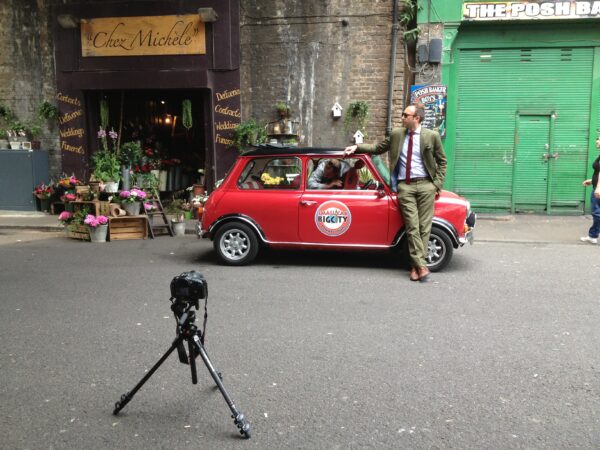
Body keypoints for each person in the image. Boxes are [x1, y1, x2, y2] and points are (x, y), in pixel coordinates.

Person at [344, 103, 447, 282]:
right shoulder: (397, 134)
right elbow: (377, 149)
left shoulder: (432, 136)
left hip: (426, 186)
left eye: (405, 115)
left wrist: (436, 185)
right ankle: (421, 265)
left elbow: (442, 162)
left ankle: (415, 267)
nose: (402, 118)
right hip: (405, 186)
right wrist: (357, 147)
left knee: (425, 227)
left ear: (416, 118)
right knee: (412, 226)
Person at [580, 136, 600, 244]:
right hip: (596, 186)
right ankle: (593, 235)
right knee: (597, 213)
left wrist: (598, 188)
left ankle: (593, 235)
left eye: (599, 139)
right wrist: (592, 181)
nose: (596, 141)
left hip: (598, 190)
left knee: (596, 213)